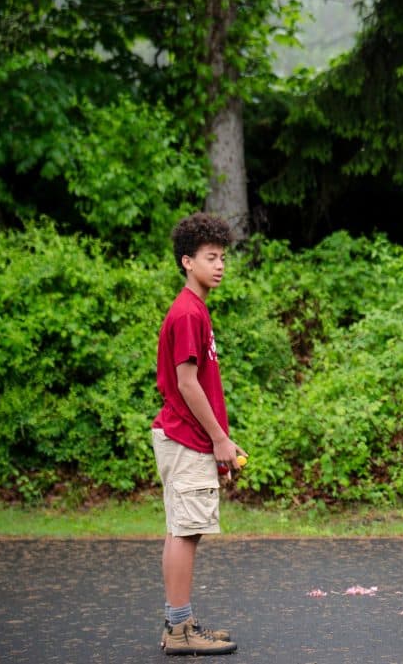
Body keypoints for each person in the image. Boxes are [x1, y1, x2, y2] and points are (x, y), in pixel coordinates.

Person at [153, 212, 245, 656]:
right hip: (187, 436)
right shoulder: (189, 312)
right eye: (211, 257)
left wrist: (221, 441)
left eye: (223, 257)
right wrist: (219, 440)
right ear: (187, 261)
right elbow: (187, 381)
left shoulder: (194, 309)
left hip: (186, 436)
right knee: (187, 531)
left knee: (180, 530)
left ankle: (181, 622)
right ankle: (179, 630)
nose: (220, 265)